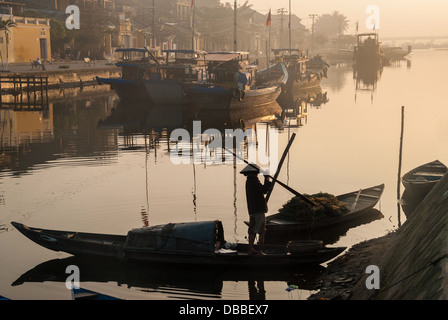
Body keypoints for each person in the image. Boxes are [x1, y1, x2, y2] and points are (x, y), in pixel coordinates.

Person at [240, 164, 272, 255]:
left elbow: (262, 190)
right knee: (261, 231)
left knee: (252, 230)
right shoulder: (253, 181)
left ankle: (251, 249)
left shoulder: (249, 181)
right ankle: (259, 251)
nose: (257, 174)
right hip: (258, 210)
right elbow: (264, 190)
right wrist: (267, 179)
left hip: (252, 209)